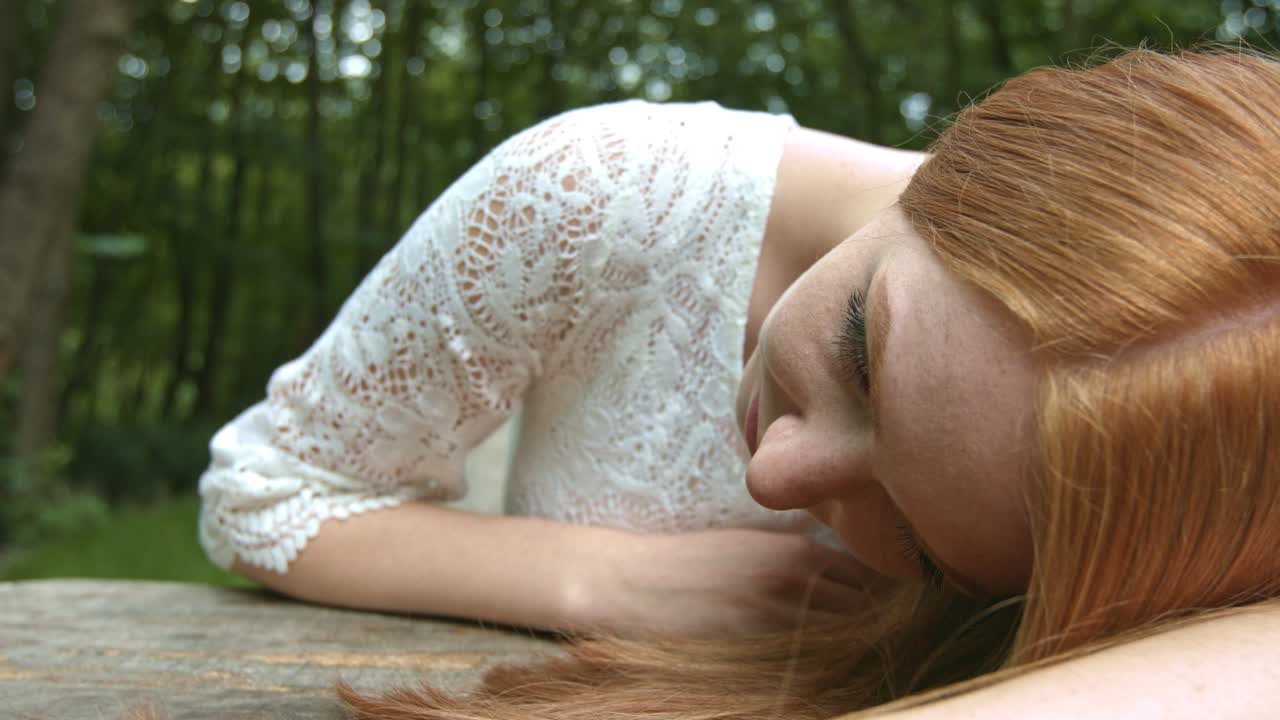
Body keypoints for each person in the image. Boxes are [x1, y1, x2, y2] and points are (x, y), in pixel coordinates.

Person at [201, 45, 1280, 716]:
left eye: (917, 543)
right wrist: (611, 581)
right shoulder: (598, 198)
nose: (775, 475)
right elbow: (261, 495)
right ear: (969, 151)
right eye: (860, 351)